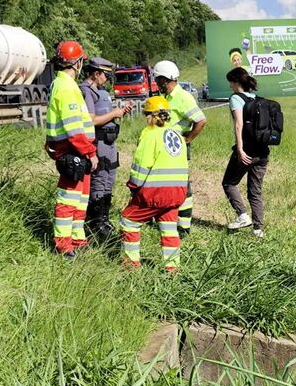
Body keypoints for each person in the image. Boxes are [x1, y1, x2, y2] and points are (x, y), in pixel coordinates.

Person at [119, 97, 188, 272]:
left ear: (149, 116)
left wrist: (134, 188)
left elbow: (141, 166)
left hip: (156, 192)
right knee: (169, 228)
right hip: (178, 192)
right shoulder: (177, 135)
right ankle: (172, 268)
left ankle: (130, 265)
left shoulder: (149, 135)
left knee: (128, 220)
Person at [44, 40, 97, 259]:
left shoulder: (64, 85)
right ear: (77, 63)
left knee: (79, 199)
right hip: (74, 150)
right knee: (68, 200)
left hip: (76, 150)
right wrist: (90, 152)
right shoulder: (66, 87)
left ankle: (76, 239)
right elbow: (74, 129)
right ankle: (64, 245)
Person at [80, 57, 134, 239]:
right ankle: (95, 222)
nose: (107, 79)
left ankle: (104, 218)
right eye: (105, 75)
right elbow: (91, 120)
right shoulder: (87, 91)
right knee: (99, 181)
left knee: (109, 179)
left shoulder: (100, 91)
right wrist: (114, 113)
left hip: (110, 142)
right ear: (96, 73)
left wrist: (120, 113)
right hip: (98, 142)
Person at [153, 60, 206, 238]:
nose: (156, 83)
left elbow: (201, 120)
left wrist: (188, 139)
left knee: (183, 187)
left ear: (164, 79)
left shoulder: (183, 97)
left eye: (157, 79)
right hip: (166, 150)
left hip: (177, 150)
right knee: (167, 185)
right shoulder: (167, 97)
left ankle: (184, 227)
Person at [222, 67, 269, 238]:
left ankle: (242, 216)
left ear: (236, 82)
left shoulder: (236, 98)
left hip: (247, 150)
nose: (229, 86)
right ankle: (258, 230)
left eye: (230, 82)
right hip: (263, 152)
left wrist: (240, 149)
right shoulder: (256, 98)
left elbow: (239, 124)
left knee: (229, 183)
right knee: (255, 191)